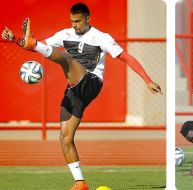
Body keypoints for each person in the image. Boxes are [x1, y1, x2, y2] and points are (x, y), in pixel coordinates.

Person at [1, 4, 162, 190]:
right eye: (71, 21)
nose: (74, 25)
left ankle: (34, 42)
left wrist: (147, 80)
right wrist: (16, 39)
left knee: (67, 59)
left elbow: (126, 57)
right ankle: (80, 182)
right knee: (65, 137)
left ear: (88, 18)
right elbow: (39, 48)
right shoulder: (64, 35)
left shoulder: (102, 38)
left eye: (77, 21)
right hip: (73, 89)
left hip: (92, 82)